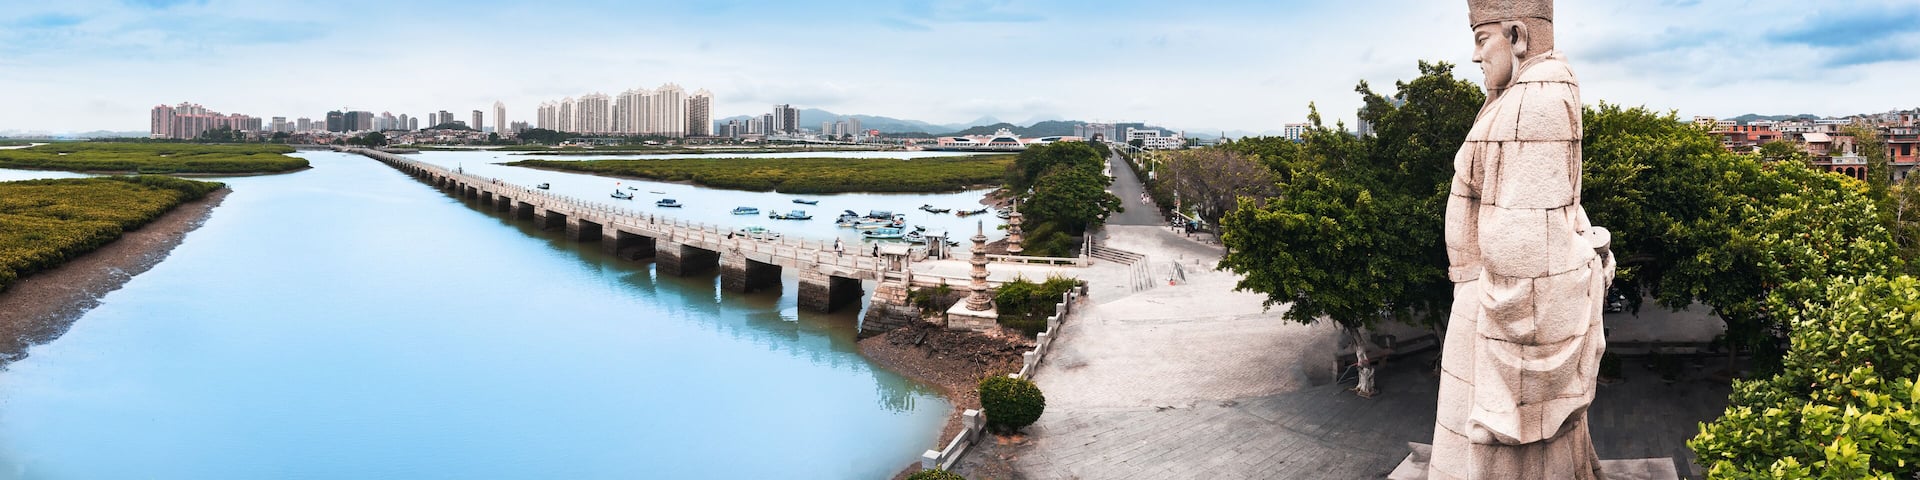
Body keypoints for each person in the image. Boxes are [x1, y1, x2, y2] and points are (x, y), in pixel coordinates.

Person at [1427, 1, 1613, 478]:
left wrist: (1589, 261)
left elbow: (1523, 246)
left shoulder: (1536, 104)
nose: (1474, 56)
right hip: (1481, 297)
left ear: (1517, 36)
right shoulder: (1519, 97)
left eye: (1481, 38)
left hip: (1492, 307)